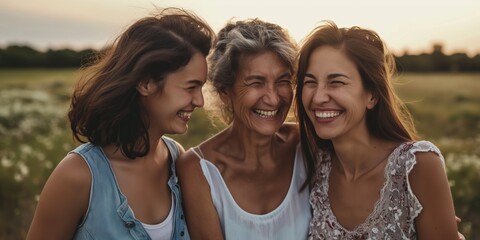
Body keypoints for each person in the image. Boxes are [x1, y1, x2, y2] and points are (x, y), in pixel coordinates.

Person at [26, 7, 214, 240]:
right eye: (190, 87)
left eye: (201, 87)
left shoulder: (177, 160)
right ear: (145, 83)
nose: (200, 101)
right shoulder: (77, 176)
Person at [295, 21, 459, 239]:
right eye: (310, 82)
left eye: (336, 82)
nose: (318, 97)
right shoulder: (314, 165)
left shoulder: (416, 166)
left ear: (371, 95)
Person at [177, 19, 311, 240]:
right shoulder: (198, 169)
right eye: (256, 83)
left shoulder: (305, 143)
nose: (273, 98)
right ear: (224, 91)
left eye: (283, 80)